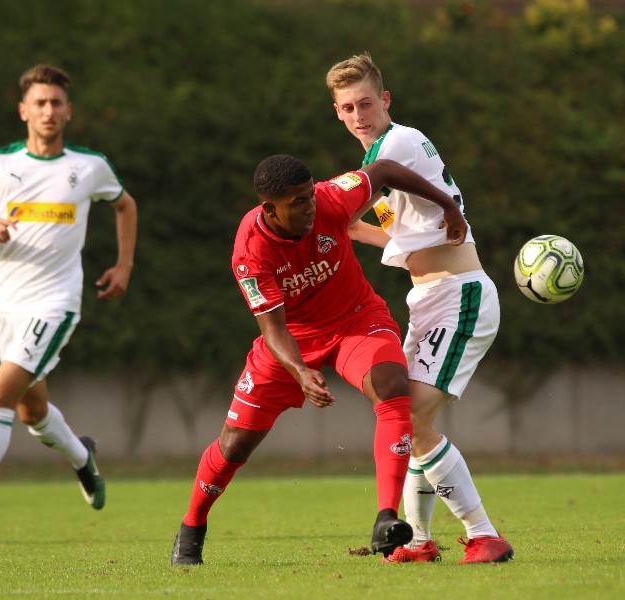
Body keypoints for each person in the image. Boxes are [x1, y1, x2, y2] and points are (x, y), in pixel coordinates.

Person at [170, 154, 468, 565]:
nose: (310, 206)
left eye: (309, 195)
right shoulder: (250, 252)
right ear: (269, 208)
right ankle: (192, 526)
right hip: (292, 342)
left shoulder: (330, 200)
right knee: (235, 445)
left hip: (356, 321)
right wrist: (300, 370)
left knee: (391, 386)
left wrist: (447, 204)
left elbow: (383, 171)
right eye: (297, 202)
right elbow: (273, 330)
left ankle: (386, 518)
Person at [0, 64, 138, 544]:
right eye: (39, 103)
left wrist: (123, 266)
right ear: (23, 111)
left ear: (69, 111)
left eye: (57, 103)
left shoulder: (88, 167)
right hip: (6, 303)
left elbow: (125, 204)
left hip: (56, 303)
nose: (48, 111)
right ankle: (83, 457)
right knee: (30, 411)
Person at [325, 53, 514, 564]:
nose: (359, 114)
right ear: (338, 114)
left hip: (459, 293)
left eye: (367, 102)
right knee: (407, 421)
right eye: (348, 107)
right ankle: (419, 542)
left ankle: (483, 534)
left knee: (406, 416)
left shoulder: (398, 146)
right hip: (430, 298)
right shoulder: (387, 161)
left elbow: (347, 203)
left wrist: (317, 219)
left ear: (385, 100)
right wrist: (339, 227)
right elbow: (386, 230)